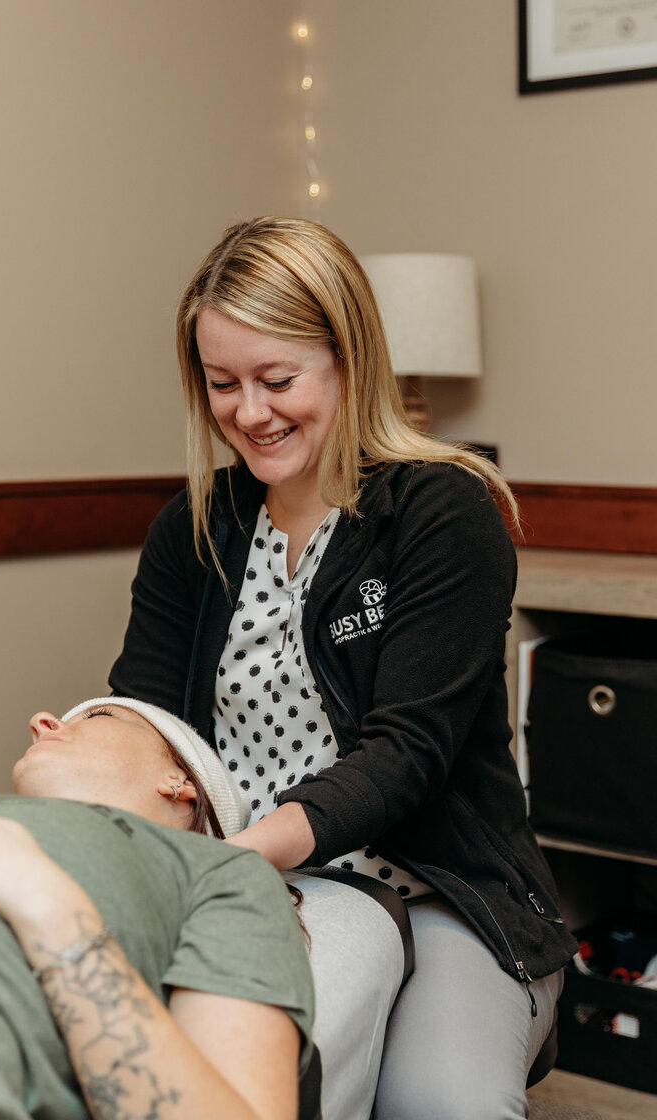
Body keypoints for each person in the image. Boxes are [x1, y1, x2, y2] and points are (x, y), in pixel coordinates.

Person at [103, 217, 578, 1120]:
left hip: (436, 892)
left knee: (441, 1107)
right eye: (222, 384)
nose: (250, 412)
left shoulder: (441, 513)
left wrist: (247, 858)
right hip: (246, 879)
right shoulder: (195, 530)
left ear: (349, 359)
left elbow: (407, 755)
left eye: (278, 379)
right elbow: (147, 720)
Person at [0, 697, 315, 1120]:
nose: (40, 722)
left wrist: (41, 898)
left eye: (97, 716)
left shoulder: (224, 870)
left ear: (180, 781)